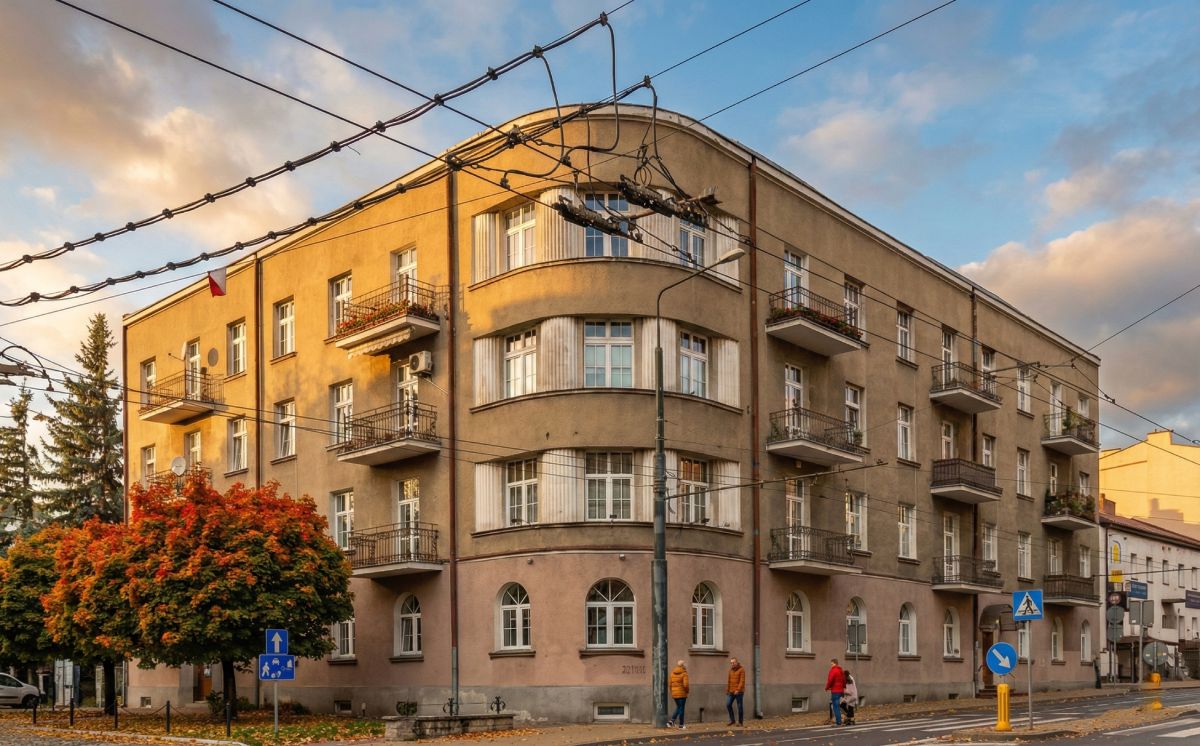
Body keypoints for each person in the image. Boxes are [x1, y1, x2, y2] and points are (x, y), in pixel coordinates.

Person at [667, 660, 689, 729]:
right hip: (682, 694)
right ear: (683, 666)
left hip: (674, 693)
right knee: (681, 708)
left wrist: (672, 692)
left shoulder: (672, 673)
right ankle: (681, 725)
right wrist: (687, 691)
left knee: (679, 707)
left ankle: (671, 722)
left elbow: (670, 684)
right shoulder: (684, 673)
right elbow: (686, 685)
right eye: (685, 664)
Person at [825, 658, 845, 726]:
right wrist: (843, 687)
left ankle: (839, 722)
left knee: (835, 707)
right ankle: (840, 721)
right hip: (840, 691)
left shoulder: (833, 670)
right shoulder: (841, 670)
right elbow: (844, 680)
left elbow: (830, 680)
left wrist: (827, 687)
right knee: (837, 706)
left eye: (832, 663)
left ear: (834, 663)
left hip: (835, 690)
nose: (831, 665)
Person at [726, 657, 745, 726]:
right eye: (731, 663)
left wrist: (738, 689)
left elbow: (742, 681)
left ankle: (740, 722)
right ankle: (732, 720)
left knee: (739, 706)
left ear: (737, 662)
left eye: (733, 662)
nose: (732, 664)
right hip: (731, 691)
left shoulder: (741, 670)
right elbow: (729, 681)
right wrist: (728, 690)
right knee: (728, 704)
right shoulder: (730, 670)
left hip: (739, 692)